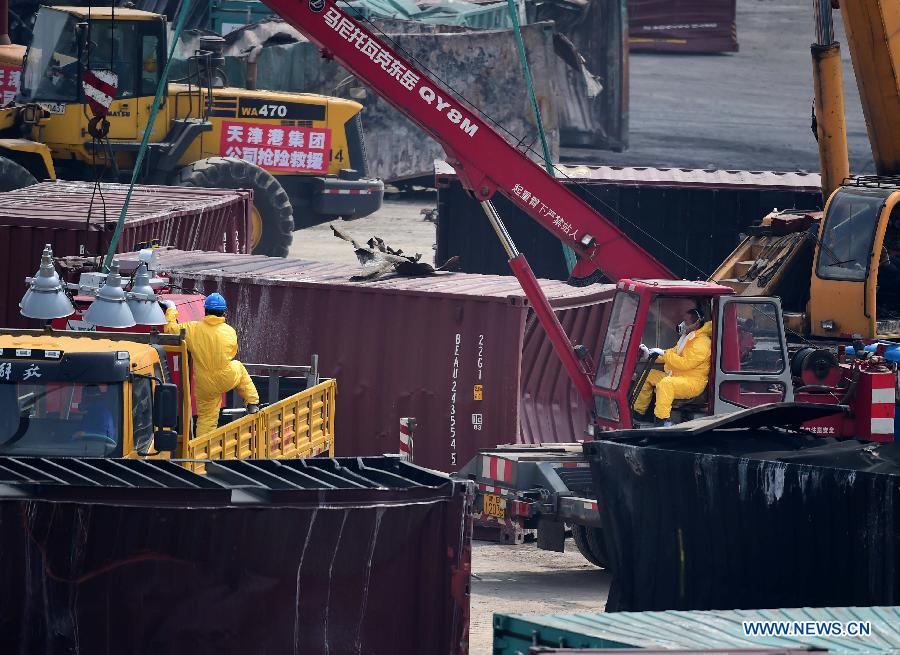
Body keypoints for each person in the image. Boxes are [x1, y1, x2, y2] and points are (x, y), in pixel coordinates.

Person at [162, 293, 259, 437]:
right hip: (226, 378)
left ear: (205, 311)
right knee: (238, 366)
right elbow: (233, 352)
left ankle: (200, 454)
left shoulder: (192, 329)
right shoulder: (230, 331)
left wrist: (170, 309)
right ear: (223, 312)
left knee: (206, 420)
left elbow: (170, 330)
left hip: (205, 385)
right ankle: (252, 403)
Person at [633, 308, 712, 427]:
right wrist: (650, 354)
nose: (682, 324)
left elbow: (685, 363)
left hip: (693, 383)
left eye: (685, 320)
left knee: (666, 384)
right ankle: (637, 412)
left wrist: (664, 354)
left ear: (696, 322)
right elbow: (672, 353)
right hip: (678, 377)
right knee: (648, 375)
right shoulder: (688, 337)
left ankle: (662, 420)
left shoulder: (702, 343)